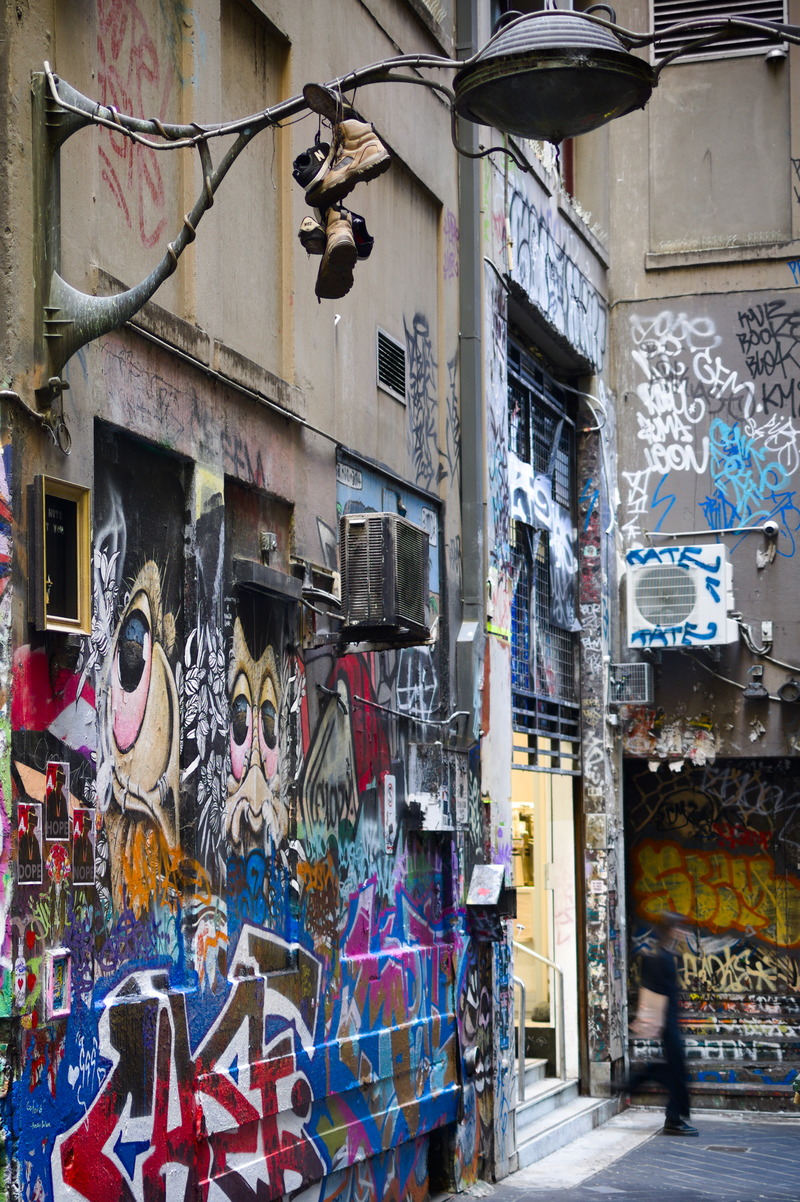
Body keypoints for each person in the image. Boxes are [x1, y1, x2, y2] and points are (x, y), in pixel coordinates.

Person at [626, 912, 697, 1136]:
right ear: (672, 930)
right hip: (668, 1025)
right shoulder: (662, 958)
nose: (684, 933)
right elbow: (654, 995)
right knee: (678, 1073)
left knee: (676, 1072)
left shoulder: (664, 955)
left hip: (670, 1024)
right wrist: (650, 1022)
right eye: (680, 928)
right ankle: (672, 1118)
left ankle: (641, 1082)